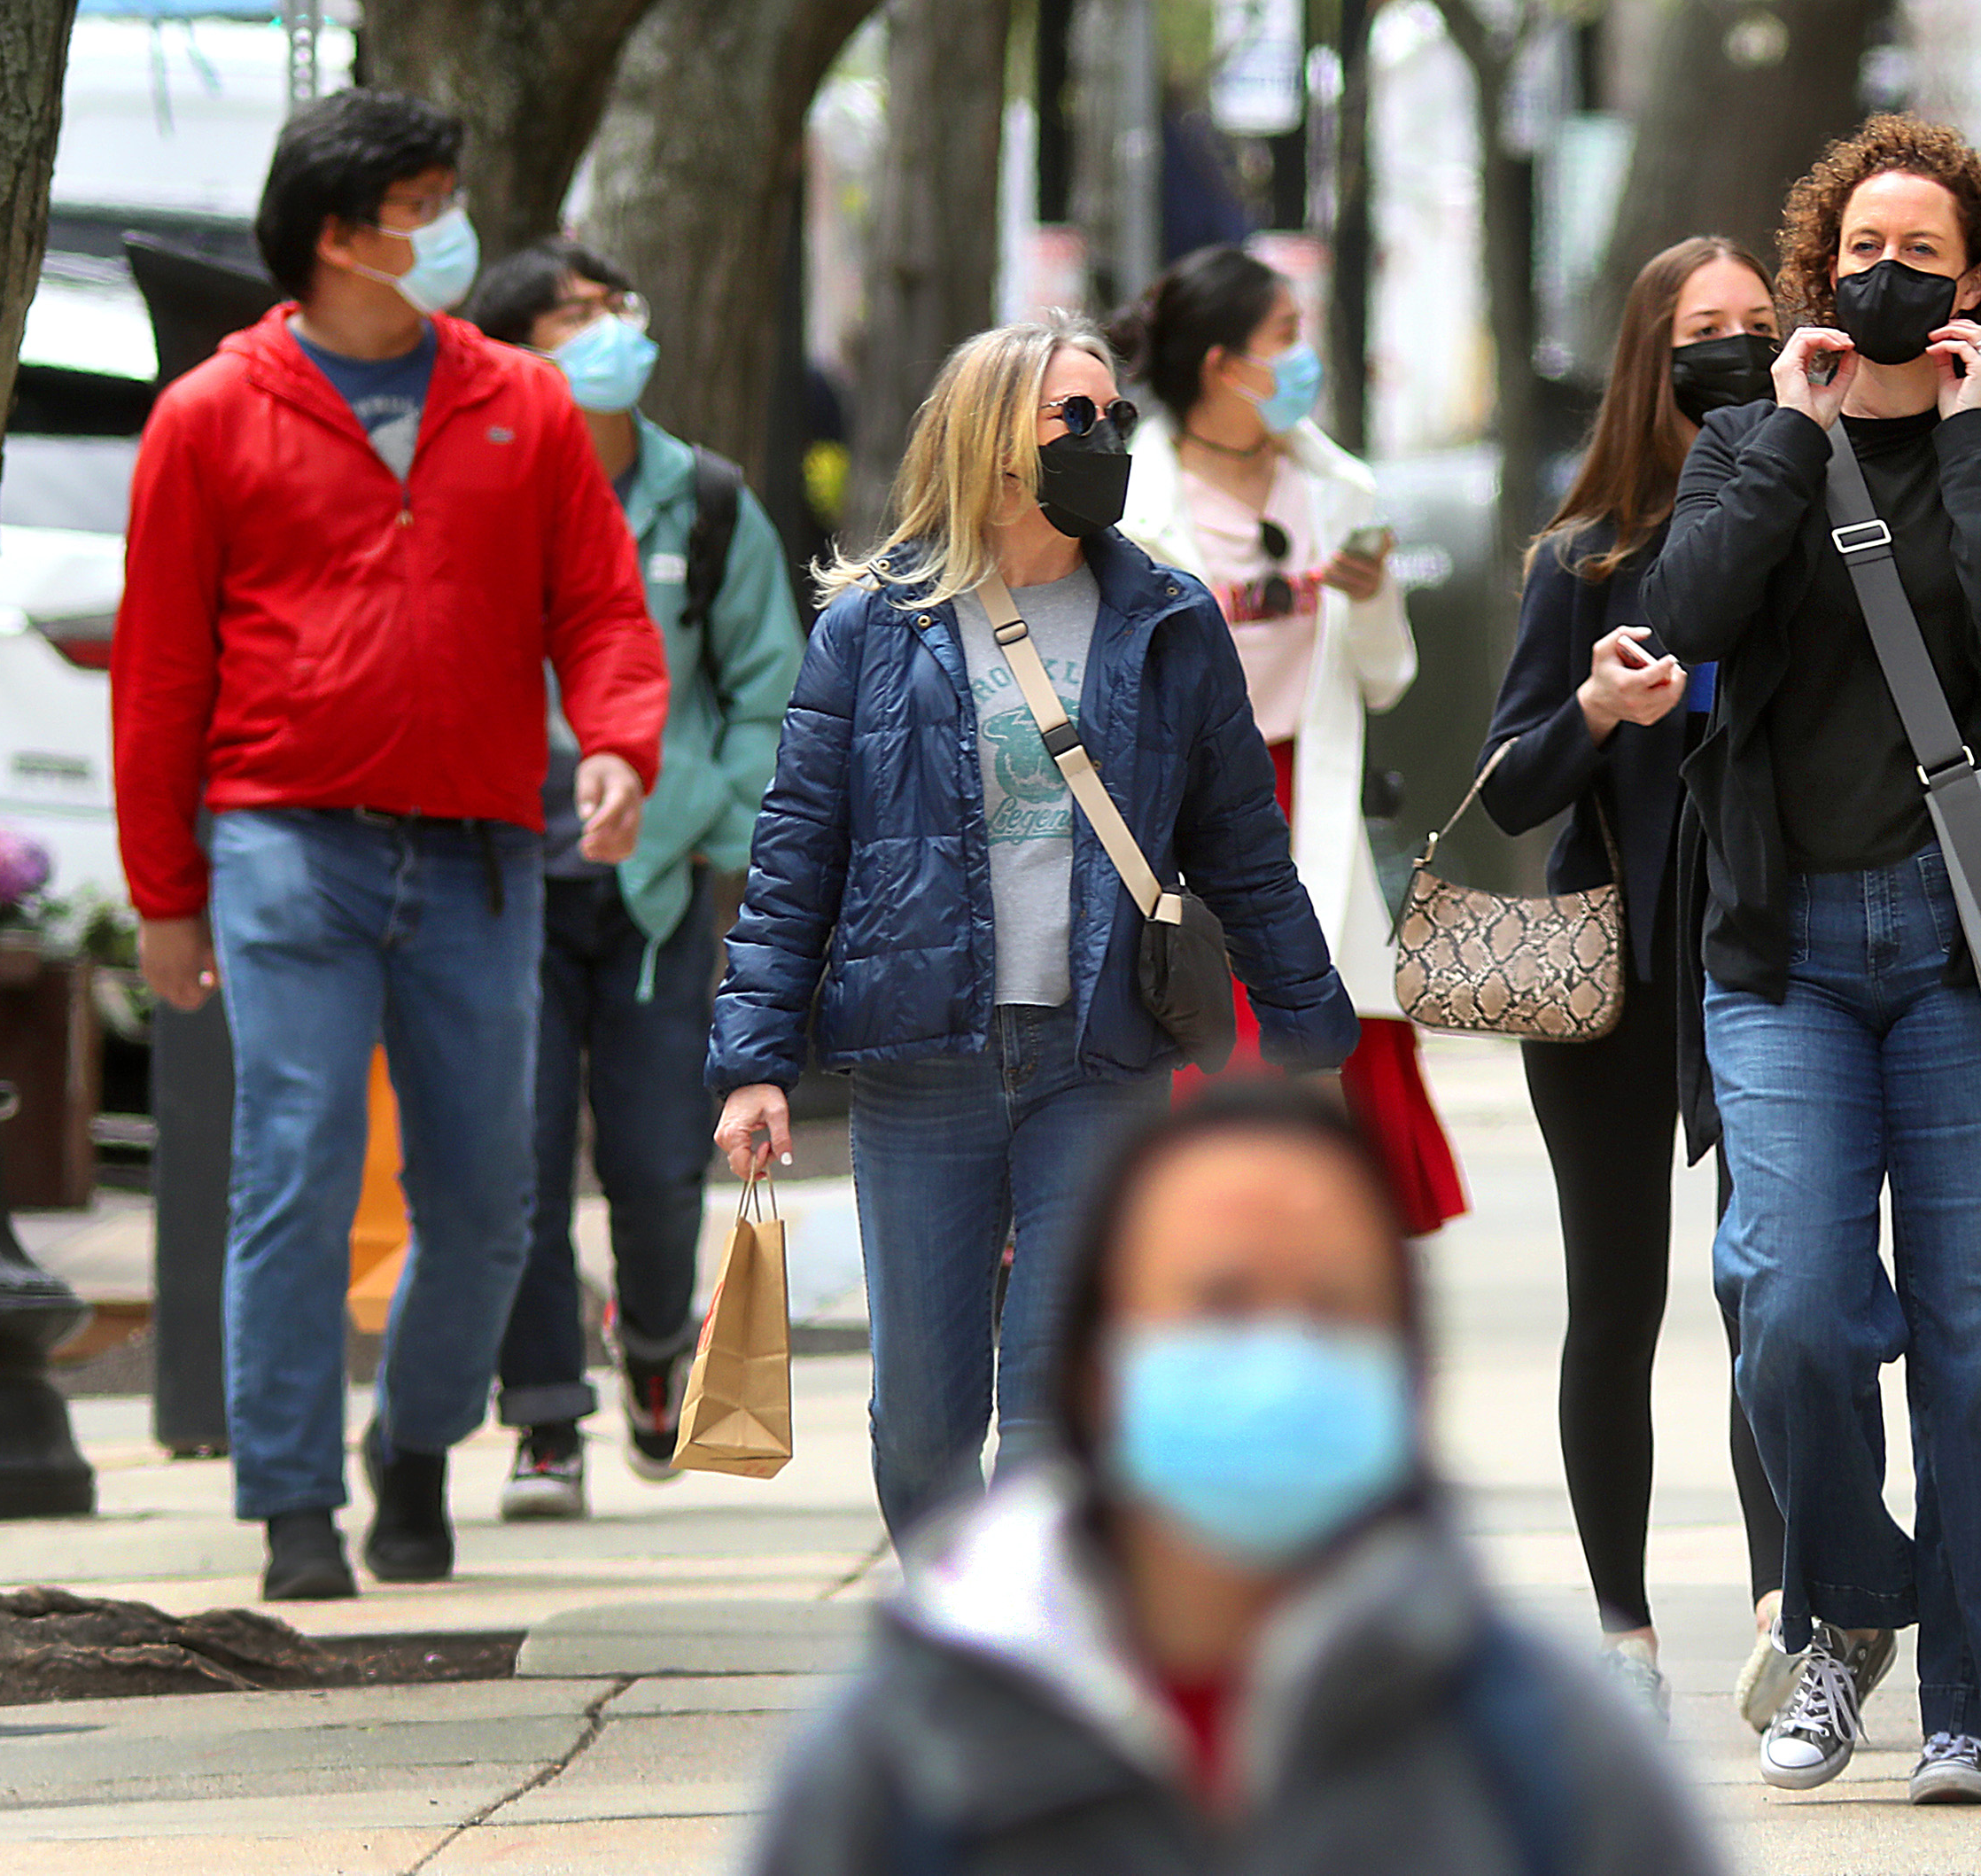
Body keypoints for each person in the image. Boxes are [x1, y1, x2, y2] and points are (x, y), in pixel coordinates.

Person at [111, 90, 668, 1600]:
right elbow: (160, 675)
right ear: (341, 239)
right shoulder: (211, 416)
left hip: (486, 852)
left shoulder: (522, 404)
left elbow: (602, 609)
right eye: (424, 203)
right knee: (294, 1164)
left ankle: (414, 1446)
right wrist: (167, 897)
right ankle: (294, 1504)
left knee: (490, 1197)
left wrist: (617, 739)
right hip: (285, 842)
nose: (452, 226)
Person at [709, 315, 1359, 1545]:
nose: (1102, 438)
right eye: (1075, 418)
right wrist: (754, 1061)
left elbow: (1243, 848)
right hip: (924, 1057)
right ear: (993, 439)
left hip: (1097, 1058)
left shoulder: (1168, 619)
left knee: (1061, 1402)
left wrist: (1310, 1043)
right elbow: (797, 851)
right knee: (924, 1423)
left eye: (1114, 418)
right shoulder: (875, 625)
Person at [1641, 113, 1981, 1804]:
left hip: (1971, 951)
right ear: (1814, 275)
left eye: (1922, 254)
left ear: (1979, 284)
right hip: (1783, 950)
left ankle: (1970, 1701)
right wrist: (1787, 432)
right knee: (1794, 1308)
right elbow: (1686, 611)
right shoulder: (1754, 439)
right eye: (1861, 254)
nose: (1888, 275)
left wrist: (1970, 443)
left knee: (1976, 1334)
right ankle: (1849, 1612)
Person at [743, 1084, 1724, 1876]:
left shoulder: (1545, 1755)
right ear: (1102, 1363)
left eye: (1335, 1308)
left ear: (1411, 1370)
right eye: (1220, 1303)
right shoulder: (898, 1767)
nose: (1279, 1354)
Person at [1477, 235, 1796, 1729]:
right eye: (1699, 331)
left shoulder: (1810, 526)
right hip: (1608, 975)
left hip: (1767, 953)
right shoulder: (1579, 555)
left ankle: (1784, 1606)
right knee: (1614, 1301)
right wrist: (1600, 707)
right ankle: (1622, 1628)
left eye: (1754, 325)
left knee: (1772, 1294)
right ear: (1646, 359)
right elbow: (1507, 787)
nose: (1727, 350)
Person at [464, 239, 806, 1517]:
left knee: (663, 1165)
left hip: (659, 891)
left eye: (619, 308)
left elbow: (772, 695)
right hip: (498, 880)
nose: (612, 330)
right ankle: (545, 1419)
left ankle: (655, 1344)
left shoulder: (704, 500)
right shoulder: (476, 486)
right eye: (575, 316)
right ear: (510, 350)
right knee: (520, 1158)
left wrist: (702, 813)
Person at [1112, 247, 1466, 1238]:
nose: (1302, 359)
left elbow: (1387, 676)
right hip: (1175, 817)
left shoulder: (1336, 488)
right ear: (1224, 363)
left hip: (1303, 800)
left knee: (1316, 1045)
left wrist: (1371, 596)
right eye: (1286, 339)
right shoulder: (1140, 501)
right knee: (1200, 1054)